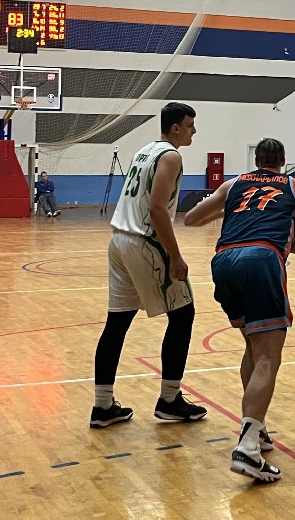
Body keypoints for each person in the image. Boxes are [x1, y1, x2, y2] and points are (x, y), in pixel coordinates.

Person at [184, 138, 295, 482]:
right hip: (261, 259)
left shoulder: (233, 184)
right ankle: (248, 448)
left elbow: (192, 218)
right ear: (282, 161)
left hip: (223, 262)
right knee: (268, 356)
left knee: (253, 348)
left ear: (256, 160)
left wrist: (231, 211)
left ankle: (257, 429)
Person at [88, 102, 206, 429]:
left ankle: (103, 406)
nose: (194, 130)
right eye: (190, 125)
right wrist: (176, 256)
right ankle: (169, 400)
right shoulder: (171, 156)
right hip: (144, 243)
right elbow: (157, 209)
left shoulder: (145, 150)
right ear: (176, 128)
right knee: (183, 315)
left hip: (119, 240)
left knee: (116, 324)